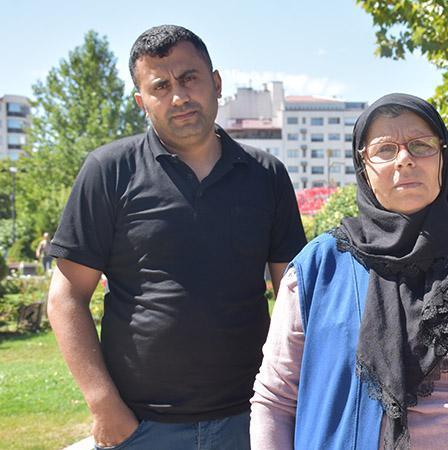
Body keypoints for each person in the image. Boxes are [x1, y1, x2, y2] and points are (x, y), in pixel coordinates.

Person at [250, 94, 448, 450]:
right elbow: (275, 400)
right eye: (384, 150)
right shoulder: (318, 267)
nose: (404, 159)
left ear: (444, 157)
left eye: (421, 145)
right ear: (363, 166)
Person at [46, 25, 306, 449]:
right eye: (160, 87)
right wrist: (103, 404)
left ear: (216, 83)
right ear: (141, 101)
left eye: (189, 78)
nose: (179, 97)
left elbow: (293, 298)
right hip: (140, 425)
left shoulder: (266, 175)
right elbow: (66, 298)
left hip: (250, 418)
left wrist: (290, 400)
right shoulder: (109, 171)